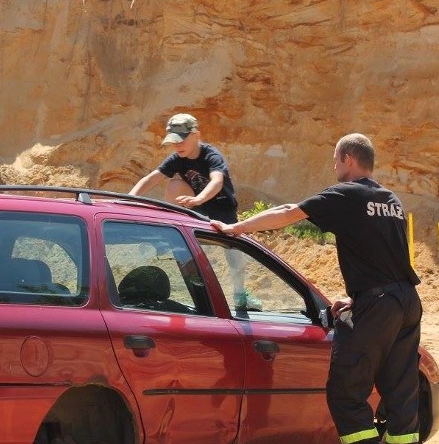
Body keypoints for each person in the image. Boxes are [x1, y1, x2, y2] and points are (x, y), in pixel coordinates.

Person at [211, 133, 422, 444]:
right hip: (406, 301)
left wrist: (235, 228)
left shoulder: (346, 194)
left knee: (345, 391)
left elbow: (288, 211)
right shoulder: (391, 200)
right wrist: (358, 298)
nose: (333, 165)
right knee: (401, 391)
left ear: (349, 159)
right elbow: (383, 255)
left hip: (379, 303)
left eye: (335, 159)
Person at [128, 113, 259, 310]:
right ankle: (170, 231)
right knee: (174, 184)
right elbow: (151, 179)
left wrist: (199, 199)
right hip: (196, 206)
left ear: (196, 135)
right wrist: (130, 198)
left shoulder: (211, 155)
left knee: (234, 256)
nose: (177, 145)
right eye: (174, 141)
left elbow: (217, 181)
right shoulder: (176, 159)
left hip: (222, 208)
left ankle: (240, 295)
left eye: (181, 140)